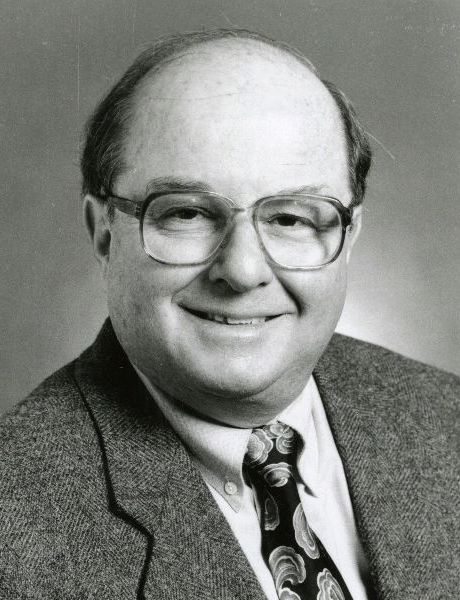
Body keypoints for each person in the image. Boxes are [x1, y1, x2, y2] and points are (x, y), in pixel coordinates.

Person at [0, 28, 458, 600]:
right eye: (188, 212)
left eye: (292, 218)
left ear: (348, 234)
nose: (242, 272)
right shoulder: (14, 532)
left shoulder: (447, 421)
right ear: (102, 231)